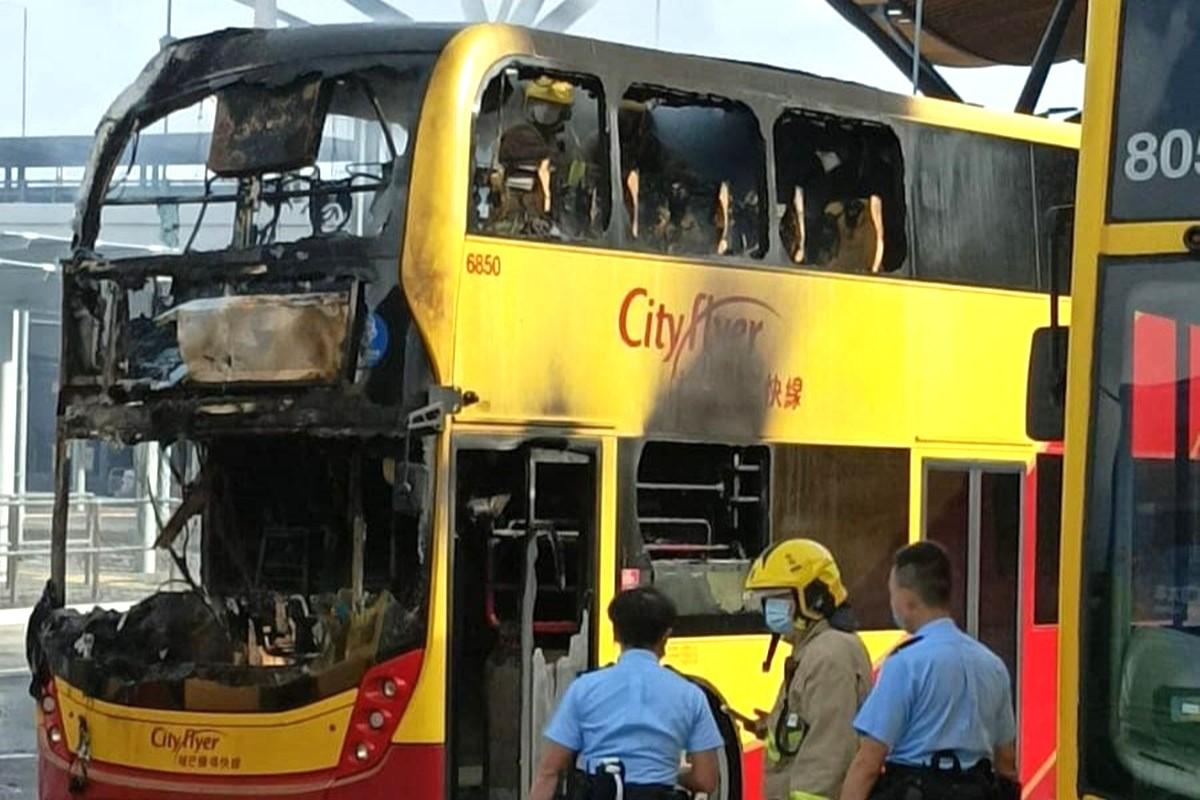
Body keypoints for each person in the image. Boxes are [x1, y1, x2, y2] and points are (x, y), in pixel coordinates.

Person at [839, 542, 1019, 800]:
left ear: (907, 600)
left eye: (892, 594)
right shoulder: (993, 665)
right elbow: (1006, 761)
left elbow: (867, 764)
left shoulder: (905, 665)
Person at [529, 587, 724, 800]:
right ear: (665, 637)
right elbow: (706, 779)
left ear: (615, 634)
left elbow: (549, 771)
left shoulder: (584, 688)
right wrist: (672, 776)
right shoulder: (691, 695)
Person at [742, 539, 874, 800]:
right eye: (765, 600)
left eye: (779, 598)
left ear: (814, 598)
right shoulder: (813, 650)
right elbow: (810, 728)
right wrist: (775, 726)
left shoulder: (830, 655)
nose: (770, 609)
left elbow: (828, 756)